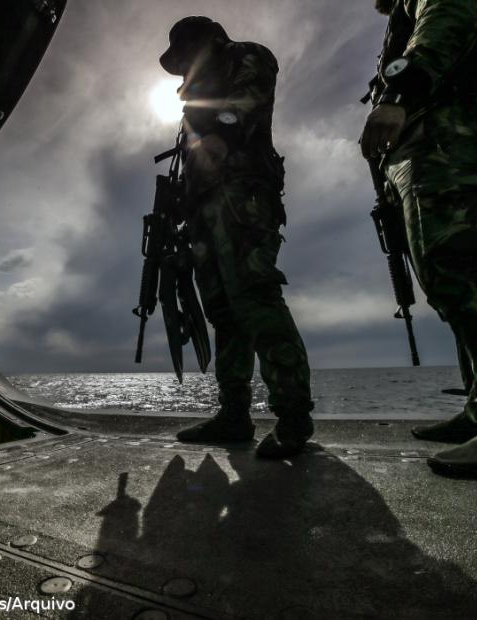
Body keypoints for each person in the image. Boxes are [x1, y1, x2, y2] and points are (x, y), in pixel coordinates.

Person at [360, 0, 477, 476]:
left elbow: (447, 19)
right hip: (428, 137)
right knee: (444, 274)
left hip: (442, 133)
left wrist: (397, 95)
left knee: (458, 271)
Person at [159, 16, 315, 459]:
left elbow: (240, 112)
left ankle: (293, 416)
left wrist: (207, 123)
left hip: (242, 199)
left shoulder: (248, 56)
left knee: (255, 298)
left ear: (207, 43)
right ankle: (234, 415)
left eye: (187, 56)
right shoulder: (197, 97)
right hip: (205, 212)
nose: (184, 68)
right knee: (225, 315)